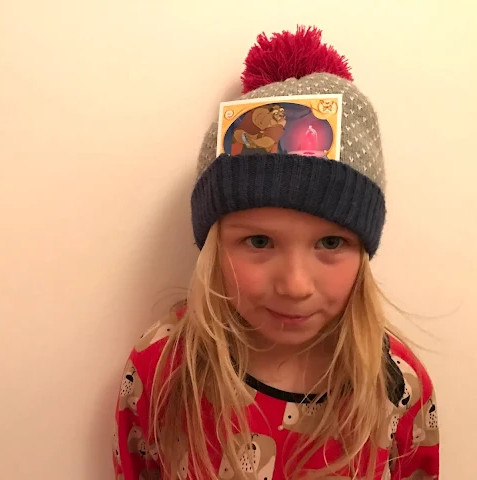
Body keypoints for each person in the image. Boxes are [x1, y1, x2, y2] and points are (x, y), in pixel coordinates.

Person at [112, 26, 439, 480]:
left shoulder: (399, 386)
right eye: (260, 242)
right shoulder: (162, 366)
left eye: (330, 243)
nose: (295, 285)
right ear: (213, 246)